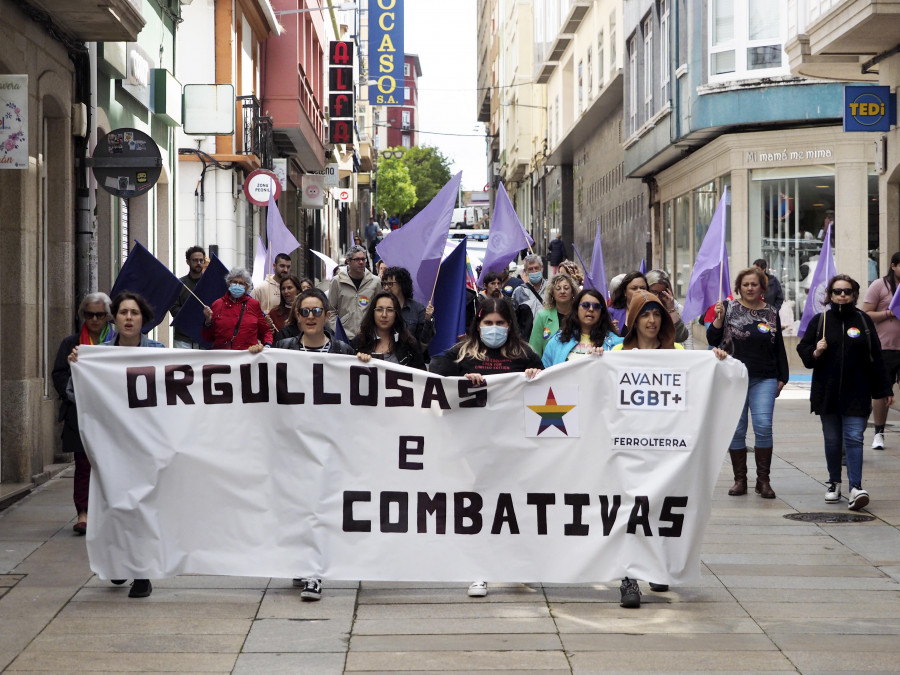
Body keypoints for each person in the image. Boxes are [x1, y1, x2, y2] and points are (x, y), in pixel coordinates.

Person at [430, 297, 543, 598]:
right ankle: (479, 570)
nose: (494, 329)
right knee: (479, 507)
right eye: (488, 323)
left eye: (500, 324)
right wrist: (461, 379)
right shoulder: (461, 353)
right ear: (478, 325)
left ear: (510, 326)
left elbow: (548, 388)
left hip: (514, 444)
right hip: (475, 446)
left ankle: (516, 565)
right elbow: (433, 374)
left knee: (514, 505)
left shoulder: (525, 355)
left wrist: (536, 378)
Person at [67, 291, 164, 599]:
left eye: (134, 313)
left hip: (146, 444)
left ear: (143, 319)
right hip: (111, 444)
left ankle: (142, 572)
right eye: (123, 313)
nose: (128, 318)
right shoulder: (98, 355)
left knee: (141, 507)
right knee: (115, 506)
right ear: (115, 318)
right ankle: (120, 562)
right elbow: (73, 392)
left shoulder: (158, 352)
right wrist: (79, 369)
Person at [274, 288, 355, 600]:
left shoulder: (344, 352)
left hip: (328, 442)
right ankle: (302, 561)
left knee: (319, 506)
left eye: (316, 311)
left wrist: (365, 366)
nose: (310, 317)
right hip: (293, 442)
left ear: (327, 315)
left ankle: (313, 573)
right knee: (298, 506)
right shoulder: (282, 348)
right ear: (297, 316)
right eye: (304, 311)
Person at [797, 274, 892, 511]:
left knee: (853, 438)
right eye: (837, 291)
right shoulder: (820, 321)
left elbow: (876, 357)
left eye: (847, 291)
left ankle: (856, 487)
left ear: (854, 295)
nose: (842, 295)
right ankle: (834, 483)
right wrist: (816, 352)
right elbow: (804, 350)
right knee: (832, 441)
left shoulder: (863, 321)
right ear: (829, 295)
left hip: (857, 392)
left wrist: (884, 389)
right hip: (827, 393)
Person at [708, 267, 789, 500]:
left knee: (763, 424)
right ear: (739, 288)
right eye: (746, 285)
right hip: (733, 378)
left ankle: (763, 481)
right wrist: (719, 318)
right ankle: (739, 480)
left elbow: (779, 346)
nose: (750, 288)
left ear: (762, 287)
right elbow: (713, 340)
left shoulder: (772, 312)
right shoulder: (728, 307)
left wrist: (783, 377)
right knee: (737, 428)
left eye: (754, 284)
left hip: (764, 377)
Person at [52, 293, 115, 535]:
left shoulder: (118, 343)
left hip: (111, 414)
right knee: (83, 464)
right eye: (90, 315)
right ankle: (84, 513)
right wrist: (73, 383)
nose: (95, 319)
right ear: (83, 315)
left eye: (100, 315)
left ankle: (109, 512)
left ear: (108, 316)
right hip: (81, 411)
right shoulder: (71, 343)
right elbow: (58, 375)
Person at [861, 251, 900, 450]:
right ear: (893, 266)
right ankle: (878, 433)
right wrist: (889, 313)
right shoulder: (880, 285)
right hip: (885, 348)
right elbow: (865, 314)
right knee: (880, 393)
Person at [541, 288, 622, 366]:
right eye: (585, 305)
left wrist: (604, 359)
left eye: (596, 306)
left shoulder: (617, 343)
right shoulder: (557, 340)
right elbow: (544, 372)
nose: (591, 309)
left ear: (602, 312)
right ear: (576, 309)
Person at [202, 268, 273, 351]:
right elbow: (207, 338)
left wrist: (267, 346)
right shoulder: (217, 304)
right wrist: (207, 321)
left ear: (247, 287)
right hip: (223, 357)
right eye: (234, 282)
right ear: (229, 284)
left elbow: (265, 331)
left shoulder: (254, 304)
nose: (237, 285)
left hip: (248, 357)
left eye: (241, 283)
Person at [351, 291, 426, 370]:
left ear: (396, 314)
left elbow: (421, 376)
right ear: (373, 313)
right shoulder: (359, 342)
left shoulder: (409, 344)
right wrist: (358, 361)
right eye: (379, 309)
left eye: (390, 310)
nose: (384, 315)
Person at [328, 245, 382, 340]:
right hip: (344, 337)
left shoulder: (376, 281)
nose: (361, 262)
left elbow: (379, 308)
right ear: (348, 261)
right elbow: (331, 310)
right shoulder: (337, 281)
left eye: (363, 259)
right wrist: (337, 330)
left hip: (368, 336)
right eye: (357, 259)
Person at [382, 266, 434, 352]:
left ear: (401, 285)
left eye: (390, 284)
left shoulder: (417, 309)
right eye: (384, 284)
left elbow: (424, 341)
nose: (386, 288)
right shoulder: (379, 305)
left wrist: (428, 319)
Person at [529, 273, 576, 358]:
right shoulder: (542, 316)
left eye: (566, 288)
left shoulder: (578, 315)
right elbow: (535, 348)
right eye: (558, 288)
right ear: (552, 294)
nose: (562, 291)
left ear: (572, 292)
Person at [169, 246, 206, 349]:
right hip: (183, 340)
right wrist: (191, 312)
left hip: (205, 339)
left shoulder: (209, 283)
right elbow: (173, 309)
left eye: (201, 260)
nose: (198, 263)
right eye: (195, 260)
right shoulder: (179, 284)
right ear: (188, 262)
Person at [646, 269, 691, 346]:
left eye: (662, 293)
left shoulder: (677, 309)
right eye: (654, 292)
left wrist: (671, 309)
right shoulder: (640, 307)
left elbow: (683, 338)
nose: (657, 296)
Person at [511, 254, 548, 339]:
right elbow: (513, 319)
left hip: (548, 338)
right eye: (530, 269)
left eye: (536, 268)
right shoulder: (519, 292)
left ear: (542, 268)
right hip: (527, 341)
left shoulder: (551, 288)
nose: (534, 271)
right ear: (525, 271)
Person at [608, 271, 648, 337]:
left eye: (642, 288)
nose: (639, 291)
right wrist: (610, 332)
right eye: (634, 288)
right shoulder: (611, 313)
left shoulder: (654, 311)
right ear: (625, 292)